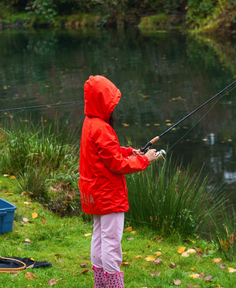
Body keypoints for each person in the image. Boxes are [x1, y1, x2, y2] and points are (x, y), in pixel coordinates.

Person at [79, 75, 157, 288]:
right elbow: (117, 165)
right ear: (102, 102)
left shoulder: (90, 122)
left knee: (99, 237)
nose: (114, 107)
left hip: (94, 192)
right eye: (111, 103)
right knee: (111, 242)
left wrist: (129, 151)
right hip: (108, 194)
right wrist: (144, 159)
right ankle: (114, 285)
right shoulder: (102, 128)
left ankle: (101, 284)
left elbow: (106, 153)